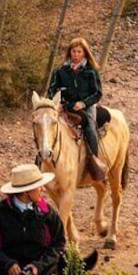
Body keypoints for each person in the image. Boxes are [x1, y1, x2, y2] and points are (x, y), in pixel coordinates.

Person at [48, 37, 107, 182]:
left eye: (79, 51)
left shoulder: (91, 71)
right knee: (48, 126)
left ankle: (93, 161)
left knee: (90, 128)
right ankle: (42, 161)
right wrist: (58, 102)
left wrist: (84, 103)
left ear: (84, 53)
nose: (76, 54)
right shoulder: (61, 71)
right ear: (69, 53)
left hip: (86, 107)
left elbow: (98, 93)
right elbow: (52, 90)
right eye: (73, 51)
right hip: (65, 106)